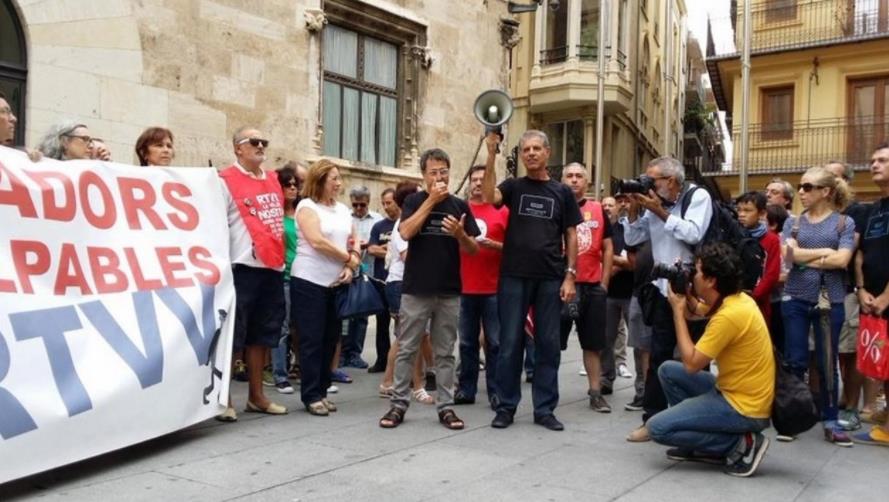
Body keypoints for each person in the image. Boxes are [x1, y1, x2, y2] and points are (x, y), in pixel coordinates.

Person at [647, 243, 775, 478]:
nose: (692, 275)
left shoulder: (729, 315)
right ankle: (701, 443)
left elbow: (692, 364)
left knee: (657, 428)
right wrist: (684, 294)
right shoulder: (737, 300)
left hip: (744, 408)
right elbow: (698, 311)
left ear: (710, 280)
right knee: (667, 371)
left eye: (696, 271)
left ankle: (741, 445)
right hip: (734, 391)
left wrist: (677, 312)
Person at [482, 131, 582, 432]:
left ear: (548, 153)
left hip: (551, 277)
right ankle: (506, 407)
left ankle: (544, 409)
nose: (531, 153)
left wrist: (570, 275)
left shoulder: (562, 192)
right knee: (509, 343)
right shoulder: (514, 186)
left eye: (537, 148)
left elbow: (571, 235)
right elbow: (489, 197)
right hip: (513, 276)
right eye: (526, 149)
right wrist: (491, 153)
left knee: (548, 344)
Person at [378, 148, 480, 430]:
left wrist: (460, 234)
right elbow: (406, 232)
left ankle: (446, 406)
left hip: (448, 290)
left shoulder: (459, 205)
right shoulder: (413, 201)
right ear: (423, 175)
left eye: (443, 172)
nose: (439, 177)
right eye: (433, 172)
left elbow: (473, 249)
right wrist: (432, 201)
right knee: (407, 347)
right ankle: (398, 404)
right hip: (416, 288)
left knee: (445, 351)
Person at [620, 156, 713, 441]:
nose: (646, 183)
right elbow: (633, 239)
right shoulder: (654, 203)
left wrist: (659, 212)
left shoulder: (697, 197)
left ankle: (699, 420)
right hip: (664, 291)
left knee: (697, 359)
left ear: (670, 181)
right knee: (658, 356)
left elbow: (694, 233)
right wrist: (634, 210)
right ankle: (652, 420)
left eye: (651, 179)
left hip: (694, 292)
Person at [216, 127, 288, 421]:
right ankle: (224, 399)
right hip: (241, 267)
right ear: (238, 148)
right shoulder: (224, 181)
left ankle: (256, 397)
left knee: (262, 335)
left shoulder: (272, 180)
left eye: (264, 142)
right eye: (254, 142)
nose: (260, 146)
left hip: (271, 267)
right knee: (234, 335)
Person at [781, 166, 855, 445]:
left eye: (808, 187)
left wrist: (803, 257)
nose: (801, 191)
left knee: (826, 362)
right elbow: (788, 258)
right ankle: (792, 419)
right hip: (795, 298)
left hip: (829, 300)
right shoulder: (793, 223)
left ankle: (830, 420)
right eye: (800, 186)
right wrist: (825, 252)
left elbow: (843, 260)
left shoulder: (843, 223)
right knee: (795, 360)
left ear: (826, 191)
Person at [291, 159, 360, 416]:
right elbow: (317, 241)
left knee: (331, 338)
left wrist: (352, 263)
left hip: (336, 283)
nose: (339, 183)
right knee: (312, 339)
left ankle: (322, 390)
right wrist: (347, 257)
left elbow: (355, 238)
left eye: (339, 178)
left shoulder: (342, 209)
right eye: (334, 179)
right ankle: (311, 395)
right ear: (319, 181)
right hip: (309, 280)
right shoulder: (306, 207)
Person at [560, 163, 613, 412]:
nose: (574, 180)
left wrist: (604, 284)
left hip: (592, 286)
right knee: (551, 342)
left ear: (587, 182)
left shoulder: (598, 209)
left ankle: (595, 393)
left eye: (579, 176)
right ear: (562, 180)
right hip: (562, 286)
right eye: (569, 176)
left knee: (592, 345)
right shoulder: (557, 207)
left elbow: (608, 247)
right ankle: (545, 394)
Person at [454, 165, 508, 408]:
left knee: (495, 343)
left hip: (494, 289)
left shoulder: (503, 211)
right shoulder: (460, 210)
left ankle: (496, 391)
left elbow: (514, 249)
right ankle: (466, 390)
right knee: (467, 343)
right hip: (465, 287)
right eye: (474, 179)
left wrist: (494, 245)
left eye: (482, 179)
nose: (478, 183)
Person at [377, 181, 436, 405]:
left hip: (408, 284)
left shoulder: (412, 221)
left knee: (405, 337)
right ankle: (417, 386)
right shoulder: (403, 225)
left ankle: (388, 381)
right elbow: (408, 257)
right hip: (401, 284)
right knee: (413, 337)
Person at [825, 161, 871, 432]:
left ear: (845, 182)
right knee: (835, 351)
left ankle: (853, 406)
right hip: (825, 291)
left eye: (832, 176)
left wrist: (815, 254)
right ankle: (841, 399)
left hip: (848, 289)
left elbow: (846, 254)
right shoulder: (820, 213)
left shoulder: (858, 212)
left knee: (850, 351)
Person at [853, 142, 889, 446]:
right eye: (873, 160)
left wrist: (887, 295)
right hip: (873, 299)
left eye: (883, 160)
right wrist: (862, 288)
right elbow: (861, 253)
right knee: (883, 364)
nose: (874, 165)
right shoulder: (874, 209)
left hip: (886, 299)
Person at [265, 163, 306, 395]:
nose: (292, 188)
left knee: (303, 327)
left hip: (304, 275)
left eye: (295, 185)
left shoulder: (302, 213)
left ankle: (302, 370)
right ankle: (280, 375)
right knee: (282, 327)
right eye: (287, 185)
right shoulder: (274, 215)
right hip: (283, 275)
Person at [341, 186, 383, 369]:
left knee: (362, 315)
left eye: (362, 205)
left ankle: (355, 353)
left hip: (367, 272)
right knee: (344, 314)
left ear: (368, 202)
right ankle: (342, 353)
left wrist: (369, 246)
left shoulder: (377, 219)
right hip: (346, 270)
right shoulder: (344, 217)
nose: (358, 208)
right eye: (355, 205)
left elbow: (382, 243)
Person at [601, 195, 635, 394]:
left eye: (610, 205)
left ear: (617, 208)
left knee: (639, 343)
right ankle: (606, 380)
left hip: (630, 292)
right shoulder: (599, 229)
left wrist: (606, 263)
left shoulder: (625, 229)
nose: (607, 208)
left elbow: (630, 261)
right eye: (604, 205)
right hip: (608, 294)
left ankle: (642, 389)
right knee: (606, 339)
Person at [366, 188, 400, 373]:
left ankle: (398, 362)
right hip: (380, 281)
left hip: (398, 282)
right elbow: (371, 249)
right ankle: (382, 360)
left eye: (389, 203)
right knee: (382, 323)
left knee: (401, 324)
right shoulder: (379, 226)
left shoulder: (403, 224)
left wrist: (387, 249)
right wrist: (391, 250)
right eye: (384, 203)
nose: (386, 207)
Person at [735, 191, 780, 323]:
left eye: (748, 210)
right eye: (739, 210)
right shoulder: (733, 236)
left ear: (762, 213)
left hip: (757, 303)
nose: (742, 214)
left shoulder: (771, 239)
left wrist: (753, 296)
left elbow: (771, 274)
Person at [766, 203, 790, 351]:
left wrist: (767, 280)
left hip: (780, 302)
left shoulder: (788, 244)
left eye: (762, 219)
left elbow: (791, 274)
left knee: (781, 344)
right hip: (767, 300)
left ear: (773, 224)